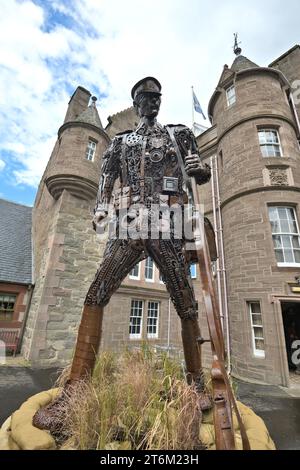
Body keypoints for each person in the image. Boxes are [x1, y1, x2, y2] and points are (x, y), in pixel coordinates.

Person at [33, 77, 211, 432]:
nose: (152, 102)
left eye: (156, 97)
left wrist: (199, 170)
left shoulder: (179, 135)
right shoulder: (119, 142)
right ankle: (75, 391)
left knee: (185, 302)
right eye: (145, 98)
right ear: (137, 101)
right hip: (129, 222)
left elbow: (201, 171)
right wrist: (100, 209)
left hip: (168, 221)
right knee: (97, 291)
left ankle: (197, 383)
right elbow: (105, 178)